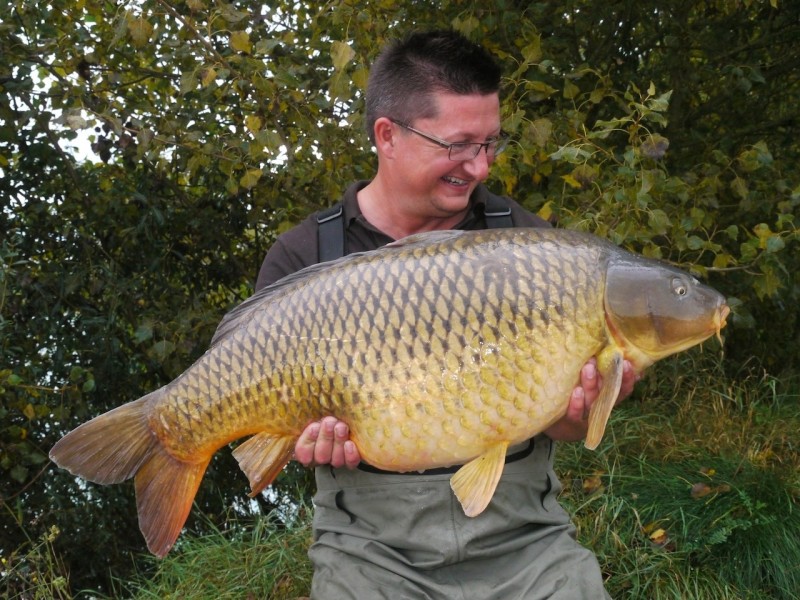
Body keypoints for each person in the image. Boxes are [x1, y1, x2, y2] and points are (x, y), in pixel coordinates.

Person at [255, 29, 638, 600]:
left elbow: (564, 425)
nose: (480, 167)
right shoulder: (304, 258)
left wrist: (586, 407)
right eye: (460, 145)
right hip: (370, 552)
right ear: (388, 135)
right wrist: (297, 443)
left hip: (524, 543)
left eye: (490, 143)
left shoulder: (533, 250)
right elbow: (273, 445)